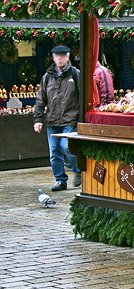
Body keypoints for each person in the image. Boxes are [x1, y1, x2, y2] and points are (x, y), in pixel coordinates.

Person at [33, 45, 81, 191]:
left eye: (63, 55)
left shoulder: (75, 74)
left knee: (65, 146)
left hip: (70, 119)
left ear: (67, 57)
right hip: (52, 121)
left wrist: (81, 118)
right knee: (54, 152)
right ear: (53, 58)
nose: (60, 58)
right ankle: (60, 181)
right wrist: (38, 120)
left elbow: (82, 97)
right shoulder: (47, 77)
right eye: (57, 56)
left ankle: (79, 170)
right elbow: (40, 100)